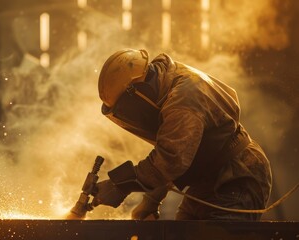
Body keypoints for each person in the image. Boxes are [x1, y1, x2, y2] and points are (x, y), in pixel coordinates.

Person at [91, 49, 272, 220]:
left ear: (136, 92)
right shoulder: (167, 83)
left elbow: (171, 160)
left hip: (236, 178)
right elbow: (180, 152)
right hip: (209, 179)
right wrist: (150, 202)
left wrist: (119, 185)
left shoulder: (183, 100)